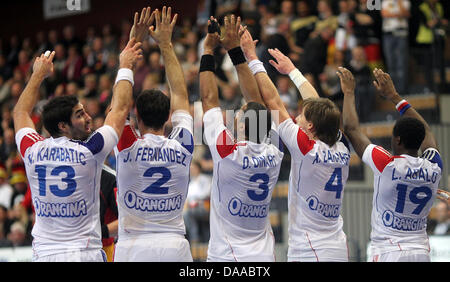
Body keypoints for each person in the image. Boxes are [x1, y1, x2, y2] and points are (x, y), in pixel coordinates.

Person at [12, 34, 142, 261]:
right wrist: (125, 66)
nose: (89, 118)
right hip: (84, 253)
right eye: (80, 115)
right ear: (63, 125)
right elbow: (120, 110)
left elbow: (20, 113)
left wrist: (37, 75)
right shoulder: (90, 151)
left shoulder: (32, 151)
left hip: (45, 254)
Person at [241, 35, 351, 262]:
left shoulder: (306, 147)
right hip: (338, 247)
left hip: (309, 250)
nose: (297, 118)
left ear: (310, 127)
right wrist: (292, 70)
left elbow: (273, 101)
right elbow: (318, 106)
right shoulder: (342, 147)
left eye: (301, 116)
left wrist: (253, 59)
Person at [113, 7, 195, 262]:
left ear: (135, 117)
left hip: (132, 247)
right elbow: (181, 94)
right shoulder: (183, 144)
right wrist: (166, 44)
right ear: (169, 116)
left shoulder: (126, 144)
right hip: (174, 246)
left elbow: (118, 106)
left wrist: (132, 45)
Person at [200, 16, 284, 262]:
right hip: (264, 256)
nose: (236, 113)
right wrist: (235, 51)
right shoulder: (274, 153)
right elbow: (256, 104)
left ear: (244, 125)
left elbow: (208, 100)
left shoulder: (227, 151)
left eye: (238, 113)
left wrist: (207, 50)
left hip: (227, 257)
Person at [339, 67, 443, 262]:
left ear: (397, 140)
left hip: (389, 252)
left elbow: (351, 129)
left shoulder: (386, 163)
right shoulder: (434, 167)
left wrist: (349, 92)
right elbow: (427, 131)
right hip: (421, 252)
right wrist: (395, 97)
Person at [381, 0, 410, 95]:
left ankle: (402, 90)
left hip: (401, 33)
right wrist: (398, 14)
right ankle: (392, 90)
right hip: (388, 34)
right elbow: (384, 14)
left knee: (401, 63)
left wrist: (399, 4)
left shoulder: (404, 1)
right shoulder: (385, 1)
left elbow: (406, 13)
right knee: (391, 63)